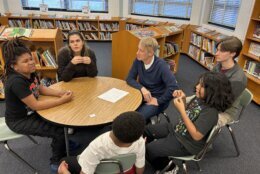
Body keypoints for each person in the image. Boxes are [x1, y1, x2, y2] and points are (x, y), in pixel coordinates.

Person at [2, 37, 73, 173]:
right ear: (14, 66)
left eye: (31, 59)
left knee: (61, 120)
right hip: (20, 120)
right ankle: (55, 163)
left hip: (31, 113)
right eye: (25, 61)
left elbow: (40, 88)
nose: (31, 62)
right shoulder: (16, 81)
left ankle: (64, 143)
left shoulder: (30, 72)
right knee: (58, 131)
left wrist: (59, 93)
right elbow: (35, 105)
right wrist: (62, 100)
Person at [145, 72, 234, 172]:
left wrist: (182, 110)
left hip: (186, 144)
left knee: (149, 149)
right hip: (179, 129)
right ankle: (158, 152)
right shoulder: (200, 98)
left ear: (213, 92)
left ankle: (170, 168)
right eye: (199, 83)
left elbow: (196, 135)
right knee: (147, 130)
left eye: (202, 85)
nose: (197, 86)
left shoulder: (210, 113)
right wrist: (182, 99)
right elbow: (189, 113)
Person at [58, 111, 146, 174]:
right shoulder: (140, 142)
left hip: (98, 169)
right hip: (123, 169)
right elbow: (140, 169)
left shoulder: (97, 146)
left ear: (114, 121)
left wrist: (64, 171)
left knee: (64, 161)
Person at [126, 37, 178, 120]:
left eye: (141, 50)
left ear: (150, 53)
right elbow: (129, 78)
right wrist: (142, 89)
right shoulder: (138, 60)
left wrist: (158, 101)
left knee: (136, 118)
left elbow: (174, 87)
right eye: (138, 49)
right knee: (125, 108)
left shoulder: (161, 66)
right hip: (143, 94)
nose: (137, 53)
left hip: (158, 98)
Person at [213, 36, 247, 127]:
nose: (216, 53)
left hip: (225, 110)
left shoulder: (238, 79)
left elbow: (224, 104)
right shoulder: (218, 66)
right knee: (182, 101)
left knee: (204, 119)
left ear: (232, 54)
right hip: (211, 97)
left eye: (221, 51)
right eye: (217, 50)